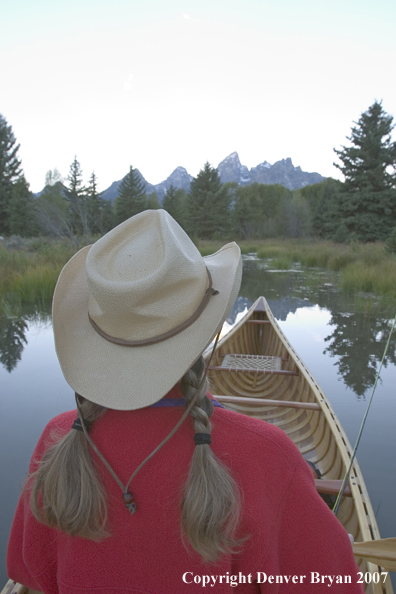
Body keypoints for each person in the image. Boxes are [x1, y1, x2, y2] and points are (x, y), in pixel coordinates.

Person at [6, 209, 364, 593]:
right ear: (208, 335)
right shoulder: (267, 455)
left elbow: (30, 571)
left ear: (97, 336)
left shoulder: (57, 437)